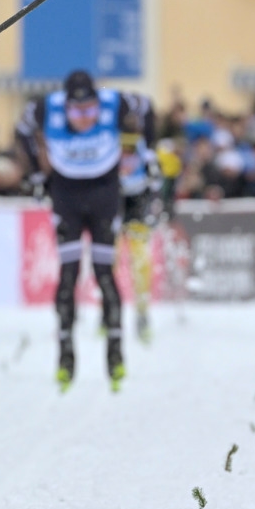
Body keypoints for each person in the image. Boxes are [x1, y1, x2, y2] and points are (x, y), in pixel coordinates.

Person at [19, 70, 152, 392]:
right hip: (66, 195)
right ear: (65, 106)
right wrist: (37, 172)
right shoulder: (45, 107)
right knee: (68, 276)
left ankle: (116, 359)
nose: (85, 118)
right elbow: (21, 129)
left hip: (105, 193)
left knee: (105, 274)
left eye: (91, 109)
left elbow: (148, 109)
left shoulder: (115, 101)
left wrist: (146, 152)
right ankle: (65, 359)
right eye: (77, 111)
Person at [118, 112, 162, 343]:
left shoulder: (146, 152)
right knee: (110, 261)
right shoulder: (107, 148)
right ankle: (107, 313)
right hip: (114, 208)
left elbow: (157, 182)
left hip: (137, 208)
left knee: (141, 261)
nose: (126, 149)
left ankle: (142, 313)